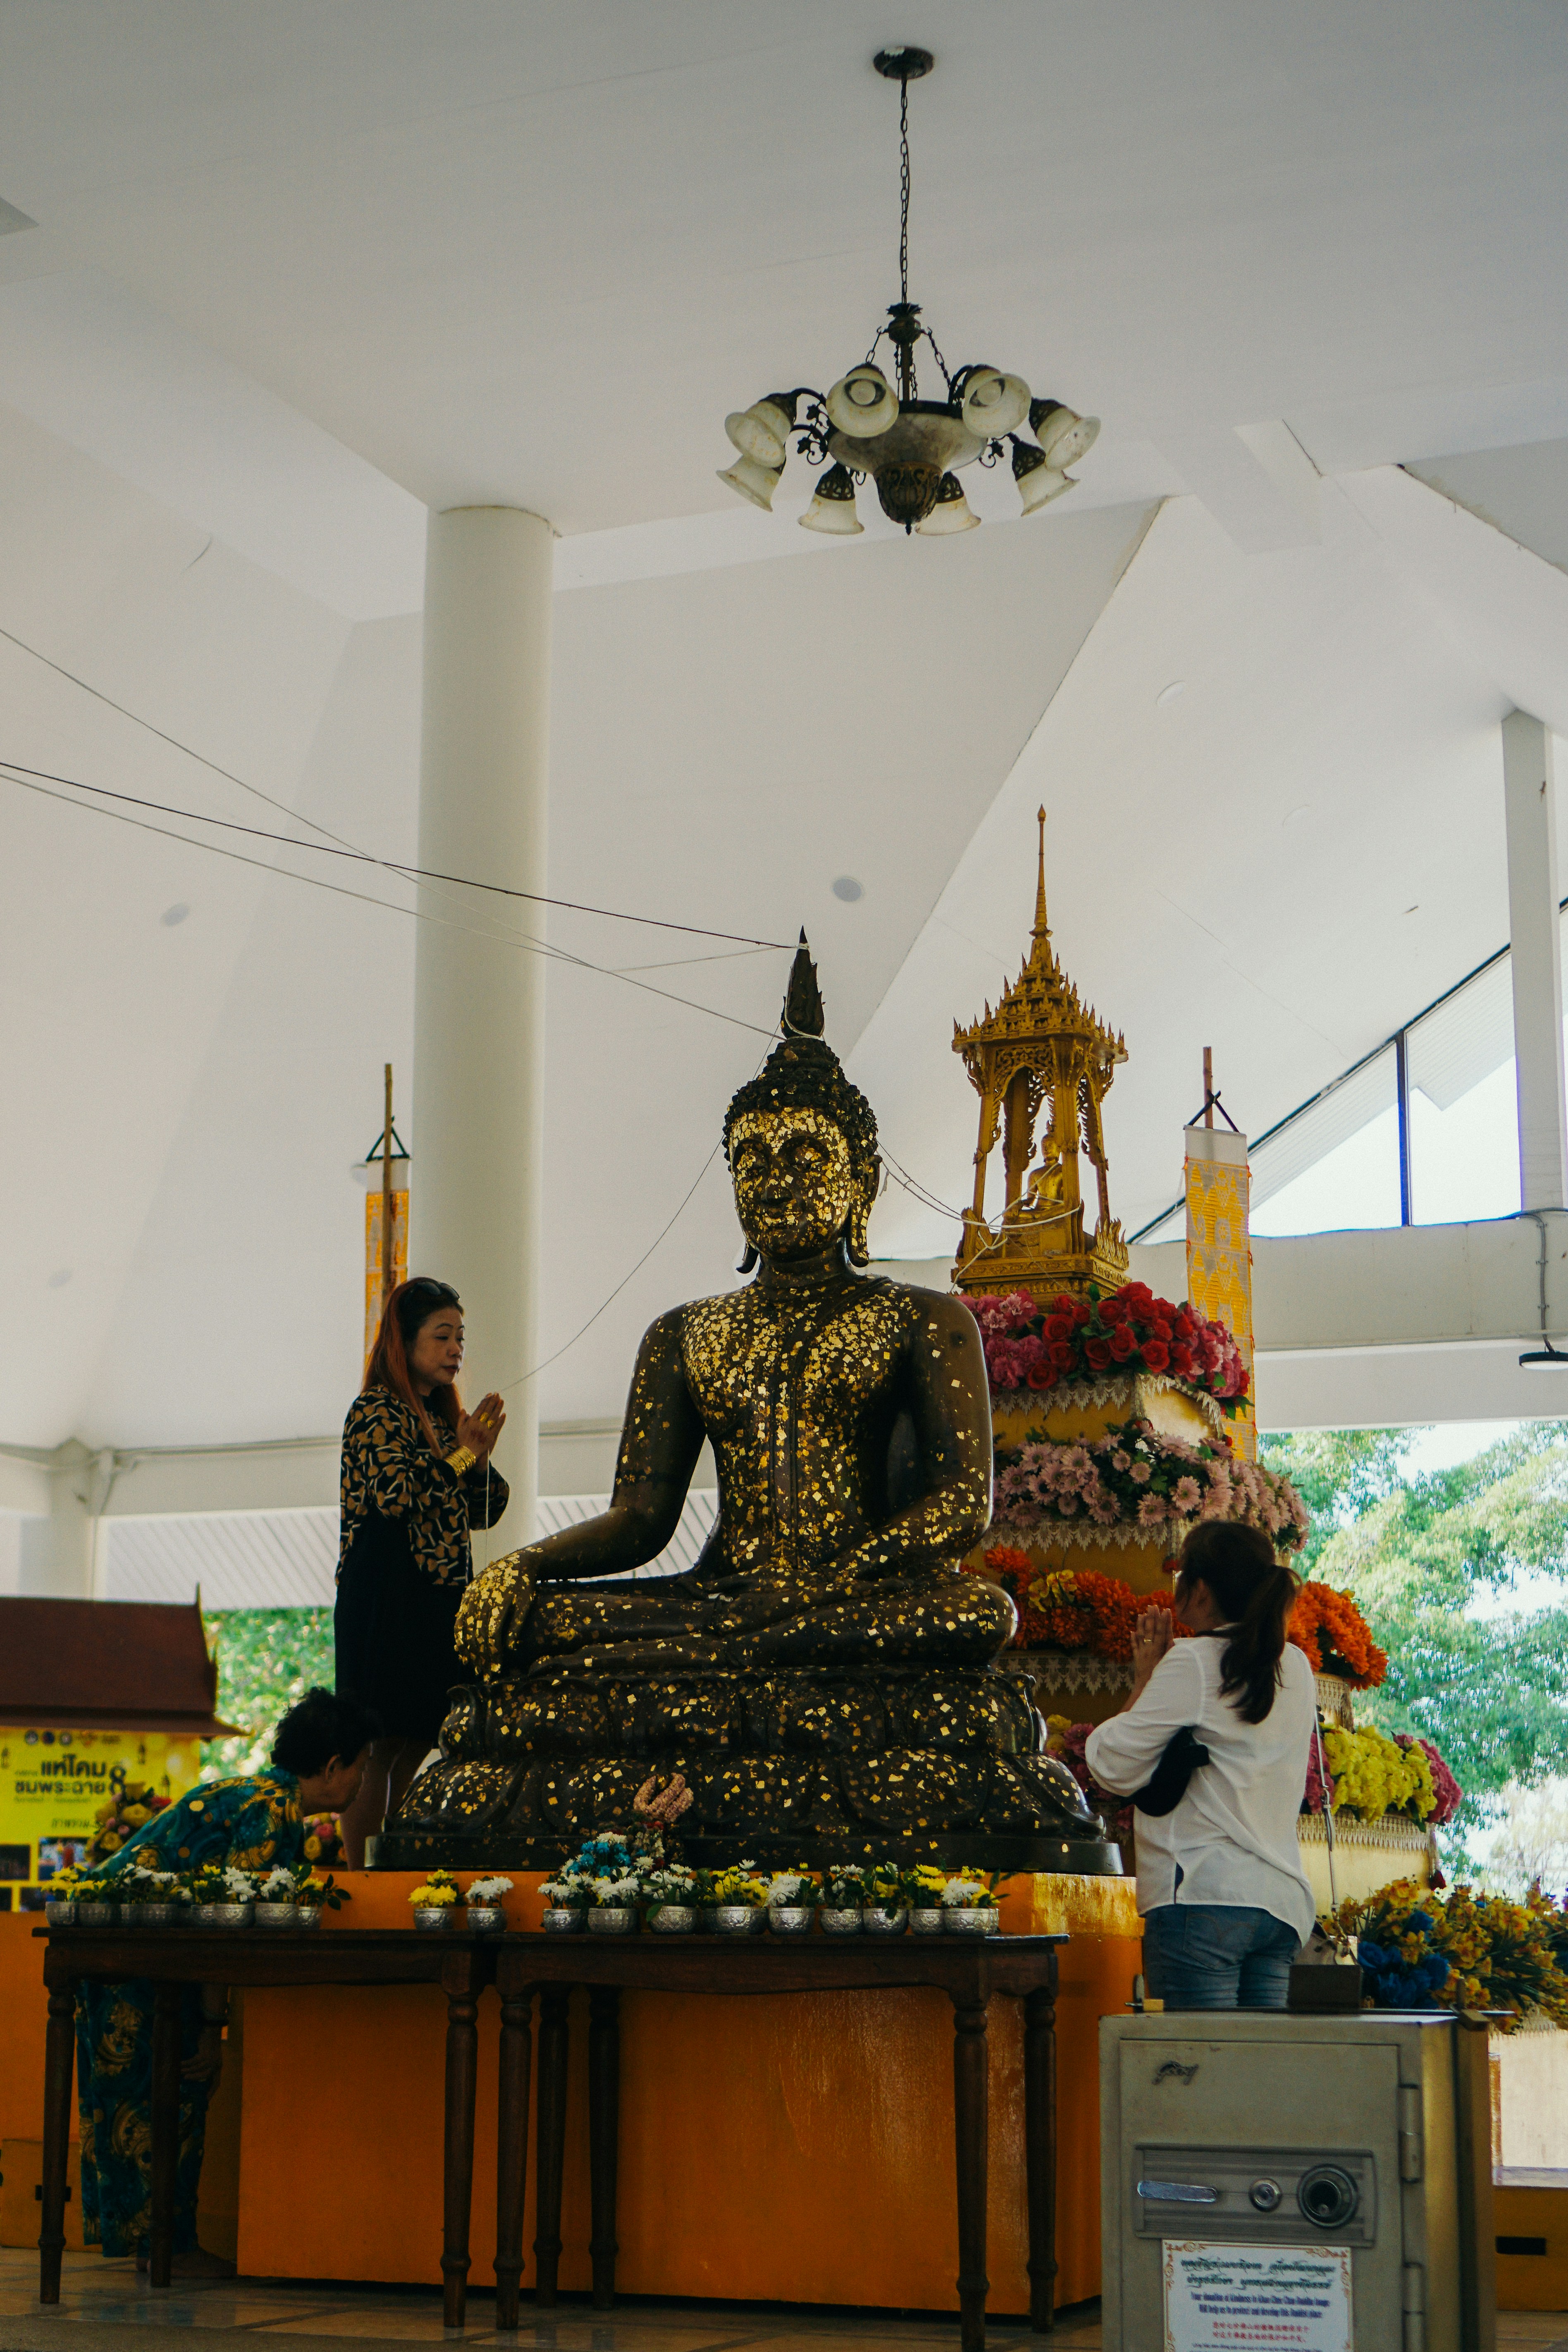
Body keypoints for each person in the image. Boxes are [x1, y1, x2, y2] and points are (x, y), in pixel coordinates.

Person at [74, 1688, 376, 2276]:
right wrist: (213, 2030)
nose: (365, 1783)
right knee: (170, 2092)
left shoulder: (257, 1793)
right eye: (362, 1767)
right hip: (136, 1956)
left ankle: (159, 2244)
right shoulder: (271, 1812)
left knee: (145, 2097)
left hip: (128, 1946)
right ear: (333, 1765)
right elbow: (225, 1929)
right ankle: (170, 2246)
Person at [1085, 1520, 1315, 2012]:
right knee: (1256, 2060)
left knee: (1199, 2057)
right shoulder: (1295, 1665)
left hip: (1204, 1896)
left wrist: (1146, 1677)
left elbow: (1111, 1763)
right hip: (1279, 1903)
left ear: (1203, 1590)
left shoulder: (1194, 1660)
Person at [335, 1277, 508, 1861]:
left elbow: (485, 1510)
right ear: (403, 1341)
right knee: (376, 1744)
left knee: (417, 1739)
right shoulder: (376, 1410)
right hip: (386, 1592)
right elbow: (397, 1494)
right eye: (442, 1335)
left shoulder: (439, 1416)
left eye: (460, 1337)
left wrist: (476, 1458)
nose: (456, 1348)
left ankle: (393, 1861)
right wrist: (461, 1454)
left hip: (437, 1595)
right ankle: (362, 1875)